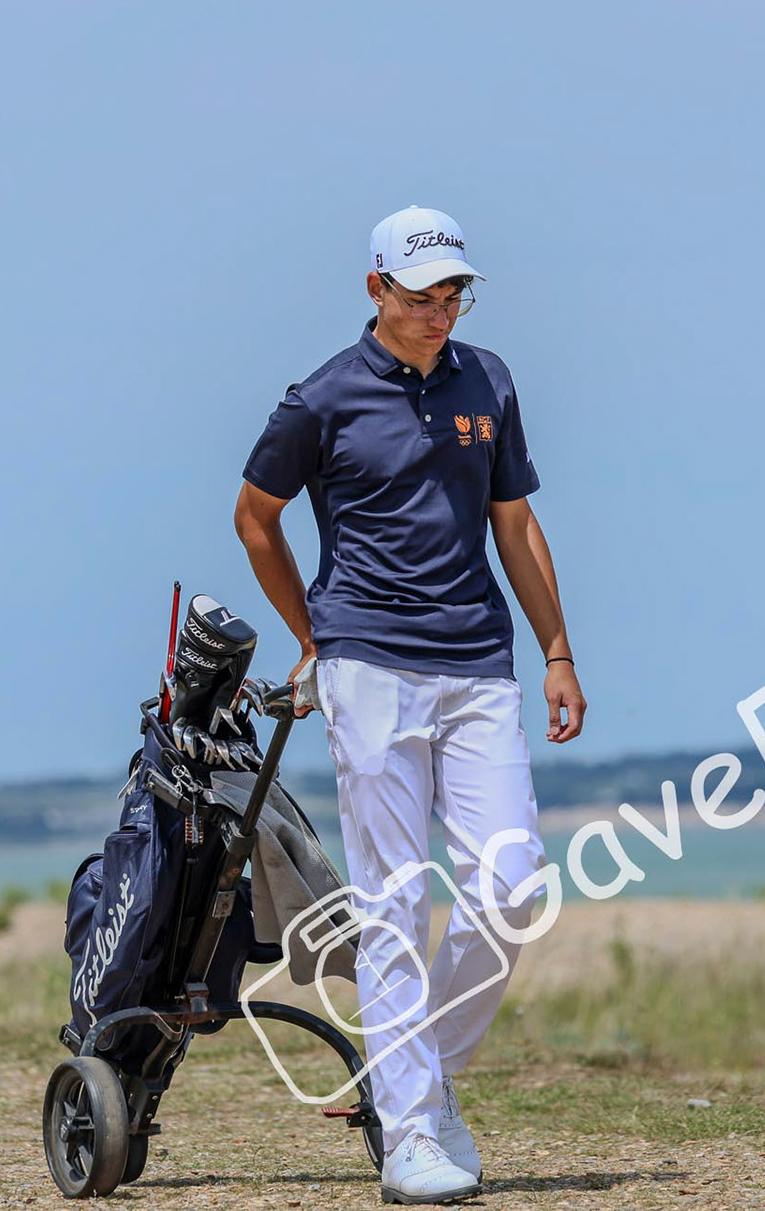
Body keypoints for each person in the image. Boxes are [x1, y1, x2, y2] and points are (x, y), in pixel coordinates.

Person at [234, 204, 586, 1204]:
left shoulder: (491, 380)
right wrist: (314, 635)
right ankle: (416, 1130)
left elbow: (513, 521)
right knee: (394, 904)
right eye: (421, 297)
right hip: (370, 668)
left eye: (452, 296)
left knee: (514, 884)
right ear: (376, 289)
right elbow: (255, 518)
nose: (440, 314)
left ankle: (418, 1079)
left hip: (479, 664)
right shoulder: (322, 399)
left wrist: (557, 647)